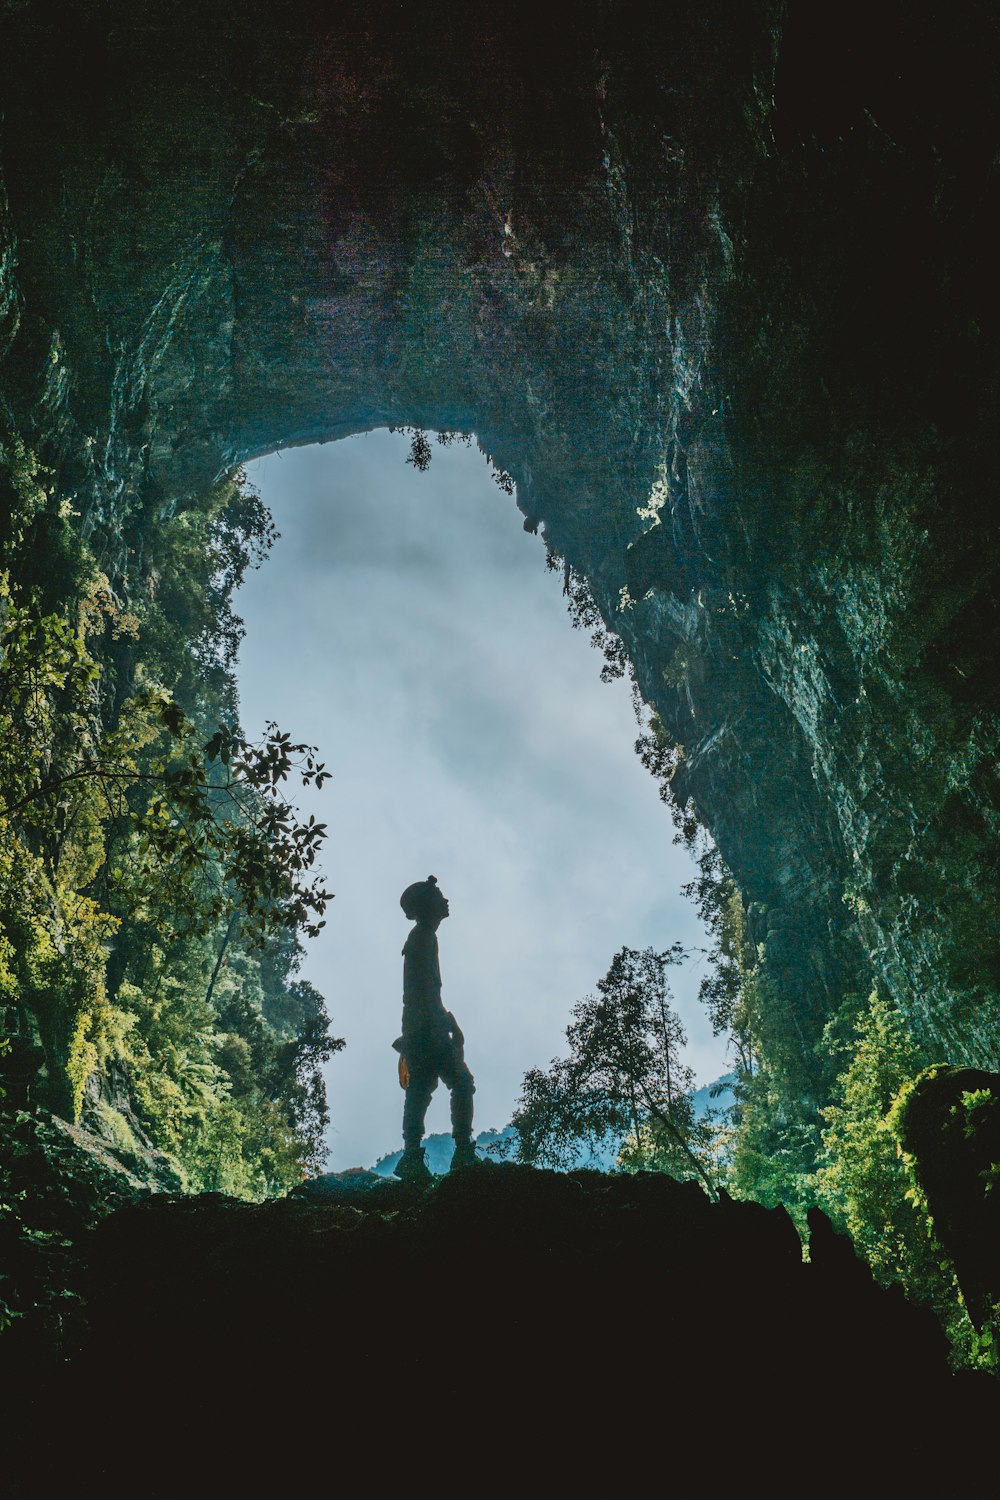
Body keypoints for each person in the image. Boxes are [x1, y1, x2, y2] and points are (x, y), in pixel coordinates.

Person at [392, 875, 476, 1182]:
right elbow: (424, 991)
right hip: (427, 1030)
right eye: (440, 895)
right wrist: (446, 1024)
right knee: (459, 1083)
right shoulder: (423, 938)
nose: (446, 900)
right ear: (428, 907)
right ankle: (462, 1153)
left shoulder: (422, 937)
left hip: (422, 1029)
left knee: (420, 1091)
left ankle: (412, 1157)